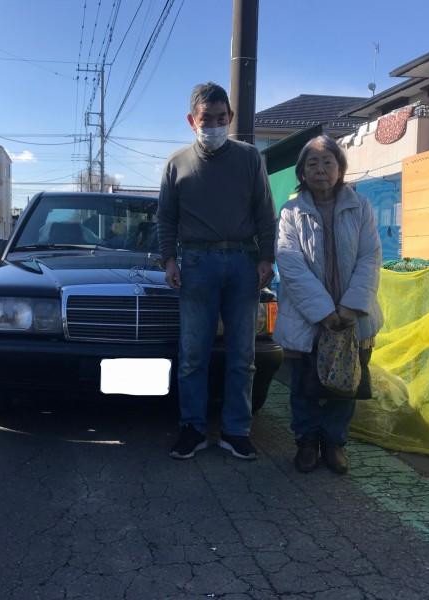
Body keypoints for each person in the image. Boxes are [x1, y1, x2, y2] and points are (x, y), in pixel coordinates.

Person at [157, 82, 276, 460]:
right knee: (193, 353)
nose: (213, 125)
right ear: (192, 120)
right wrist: (169, 261)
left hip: (243, 263)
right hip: (194, 263)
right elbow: (166, 219)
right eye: (206, 119)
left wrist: (266, 258)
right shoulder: (177, 164)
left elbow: (264, 212)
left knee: (243, 354)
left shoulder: (250, 158)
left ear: (231, 118)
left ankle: (235, 430)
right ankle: (192, 427)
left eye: (221, 118)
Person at [273, 135, 383, 474]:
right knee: (304, 385)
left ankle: (334, 443)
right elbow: (289, 263)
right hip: (308, 317)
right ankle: (307, 442)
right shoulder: (291, 211)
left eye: (328, 162)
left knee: (345, 384)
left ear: (340, 168)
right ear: (302, 173)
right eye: (312, 164)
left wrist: (349, 308)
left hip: (353, 317)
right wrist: (324, 312)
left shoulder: (360, 206)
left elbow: (370, 257)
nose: (321, 170)